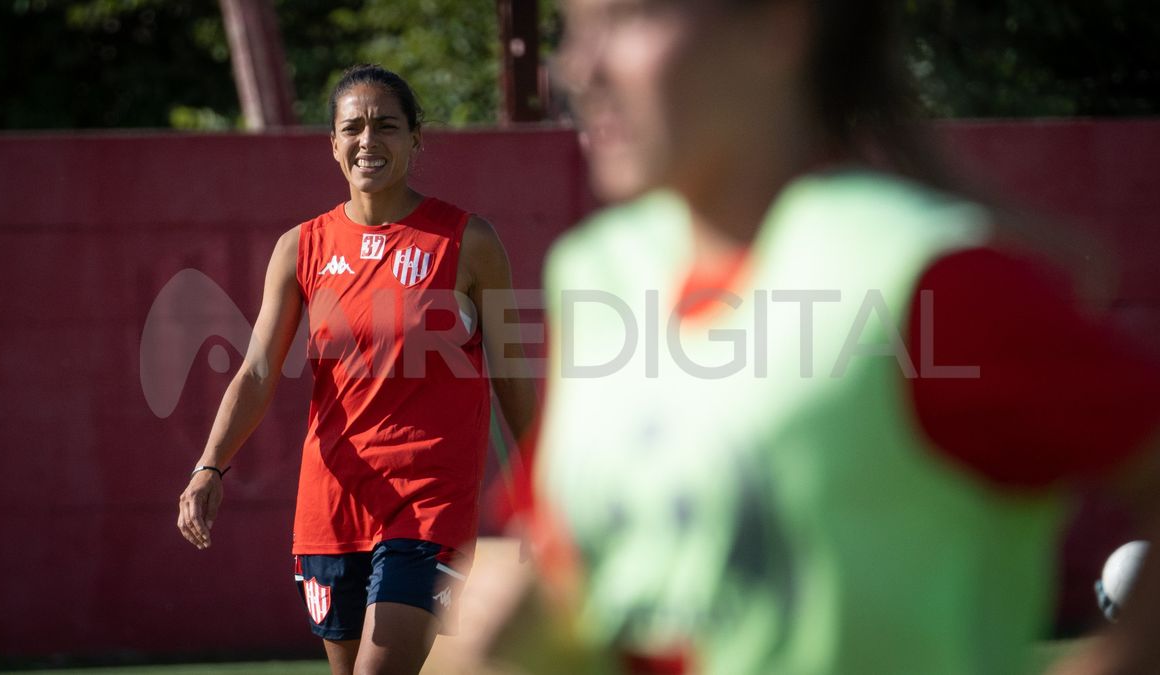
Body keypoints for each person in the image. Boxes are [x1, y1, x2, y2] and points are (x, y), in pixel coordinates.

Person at [482, 1, 1160, 674]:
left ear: (781, 25)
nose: (576, 68)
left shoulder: (927, 276)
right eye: (572, 27)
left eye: (633, 18)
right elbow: (562, 564)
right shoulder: (598, 272)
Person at [176, 64, 535, 675]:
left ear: (415, 139)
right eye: (354, 128)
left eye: (387, 126)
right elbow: (258, 370)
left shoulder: (467, 242)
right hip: (332, 507)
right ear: (334, 144)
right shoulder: (301, 247)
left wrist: (542, 494)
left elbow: (511, 377)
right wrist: (209, 465)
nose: (369, 140)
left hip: (429, 504)